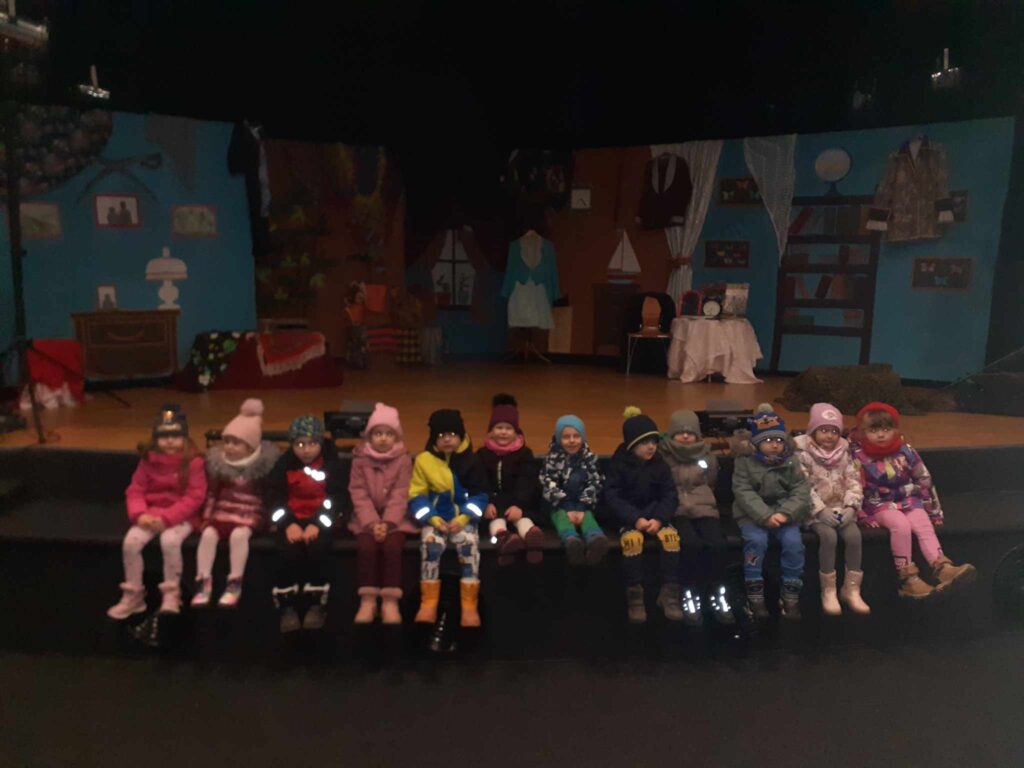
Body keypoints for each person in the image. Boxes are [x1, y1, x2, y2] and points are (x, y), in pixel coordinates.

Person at [851, 402, 975, 599]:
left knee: (922, 522)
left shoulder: (905, 450)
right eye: (874, 430)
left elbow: (923, 478)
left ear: (895, 430)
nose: (881, 435)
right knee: (901, 525)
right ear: (862, 431)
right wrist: (863, 515)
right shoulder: (858, 456)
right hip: (880, 505)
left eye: (886, 429)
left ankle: (942, 567)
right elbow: (854, 486)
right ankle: (908, 578)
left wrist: (933, 510)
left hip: (909, 499)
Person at [107, 404, 206, 619]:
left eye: (176, 436)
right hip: (151, 514)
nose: (170, 441)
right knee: (131, 543)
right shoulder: (148, 461)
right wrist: (139, 514)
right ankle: (134, 595)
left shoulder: (193, 462)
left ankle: (171, 594)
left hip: (181, 516)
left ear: (185, 437)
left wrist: (167, 518)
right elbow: (135, 490)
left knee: (170, 541)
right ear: (155, 439)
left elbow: (195, 497)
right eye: (164, 436)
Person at [191, 399, 279, 609]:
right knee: (208, 535)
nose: (229, 447)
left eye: (236, 443)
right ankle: (203, 581)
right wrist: (206, 519)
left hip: (249, 515)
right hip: (222, 512)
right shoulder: (219, 466)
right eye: (227, 441)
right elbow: (212, 495)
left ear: (250, 447)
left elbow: (270, 497)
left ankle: (234, 583)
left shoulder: (262, 468)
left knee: (239, 536)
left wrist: (270, 521)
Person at [408, 409, 489, 628]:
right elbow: (417, 496)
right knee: (430, 546)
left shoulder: (472, 461)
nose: (447, 439)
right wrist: (433, 519)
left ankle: (469, 604)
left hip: (463, 520)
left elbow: (480, 496)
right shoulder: (424, 461)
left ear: (461, 436)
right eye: (441, 435)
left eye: (452, 434)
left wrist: (463, 519)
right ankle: (429, 602)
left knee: (469, 547)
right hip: (436, 520)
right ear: (433, 438)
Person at [732, 404, 811, 620]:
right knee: (756, 542)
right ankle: (754, 594)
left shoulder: (791, 460)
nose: (775, 445)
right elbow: (743, 491)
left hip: (784, 513)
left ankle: (790, 594)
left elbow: (801, 490)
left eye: (778, 440)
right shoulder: (744, 460)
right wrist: (765, 516)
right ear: (756, 443)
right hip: (752, 514)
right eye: (768, 440)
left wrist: (786, 513)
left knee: (794, 544)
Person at [266, 415, 343, 632]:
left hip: (319, 521)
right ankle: (287, 605)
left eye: (312, 444)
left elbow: (336, 500)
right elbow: (275, 499)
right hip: (292, 521)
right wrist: (288, 524)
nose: (306, 450)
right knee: (286, 552)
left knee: (318, 550)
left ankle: (316, 603)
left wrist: (317, 524)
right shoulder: (283, 466)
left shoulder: (332, 465)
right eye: (300, 444)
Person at [658, 410, 734, 626]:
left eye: (690, 432)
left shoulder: (706, 456)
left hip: (704, 508)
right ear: (671, 434)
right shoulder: (663, 456)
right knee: (690, 544)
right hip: (677, 510)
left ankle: (717, 591)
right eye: (680, 432)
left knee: (717, 544)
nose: (685, 436)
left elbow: (711, 480)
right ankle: (690, 592)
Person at [605, 407, 680, 624]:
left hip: (656, 517)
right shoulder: (619, 464)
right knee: (632, 541)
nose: (651, 447)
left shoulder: (660, 464)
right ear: (631, 445)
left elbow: (670, 495)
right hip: (630, 518)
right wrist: (635, 518)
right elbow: (612, 496)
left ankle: (669, 591)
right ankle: (635, 595)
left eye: (654, 442)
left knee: (671, 538)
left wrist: (659, 518)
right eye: (644, 442)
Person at [793, 403, 869, 615]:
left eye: (834, 431)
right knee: (829, 537)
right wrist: (819, 510)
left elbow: (853, 481)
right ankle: (828, 590)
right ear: (813, 431)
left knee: (854, 537)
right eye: (824, 430)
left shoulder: (845, 452)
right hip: (815, 512)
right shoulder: (802, 454)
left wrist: (851, 507)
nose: (829, 435)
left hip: (840, 509)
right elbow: (801, 486)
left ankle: (851, 588)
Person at [348, 403, 414, 624]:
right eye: (378, 433)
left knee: (393, 548)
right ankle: (368, 599)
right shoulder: (360, 460)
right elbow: (358, 492)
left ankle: (389, 600)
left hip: (396, 520)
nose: (383, 438)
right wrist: (372, 522)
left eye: (389, 434)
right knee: (366, 548)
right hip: (365, 520)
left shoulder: (403, 460)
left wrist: (387, 523)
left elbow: (401, 493)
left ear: (396, 437)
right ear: (369, 437)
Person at [478, 394, 544, 566]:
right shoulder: (483, 454)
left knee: (522, 520)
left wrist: (519, 505)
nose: (503, 432)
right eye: (499, 427)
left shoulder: (524, 454)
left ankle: (532, 538)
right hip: (494, 503)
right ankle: (504, 540)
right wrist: (487, 502)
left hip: (518, 502)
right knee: (496, 521)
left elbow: (527, 481)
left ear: (516, 432)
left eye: (508, 428)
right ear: (491, 431)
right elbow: (480, 481)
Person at [539, 415, 608, 566]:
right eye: (566, 437)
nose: (572, 441)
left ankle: (595, 541)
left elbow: (596, 482)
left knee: (588, 518)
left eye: (576, 436)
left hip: (584, 505)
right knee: (561, 518)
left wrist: (582, 508)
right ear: (559, 439)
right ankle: (572, 542)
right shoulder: (552, 459)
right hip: (560, 506)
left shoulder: (590, 458)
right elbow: (548, 485)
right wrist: (567, 508)